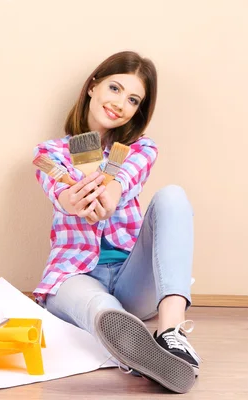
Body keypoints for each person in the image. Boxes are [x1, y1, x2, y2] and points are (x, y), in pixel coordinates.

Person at [32, 51, 201, 394]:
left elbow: (122, 180)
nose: (120, 103)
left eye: (133, 99)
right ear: (93, 86)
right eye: (114, 88)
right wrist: (74, 202)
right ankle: (134, 349)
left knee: (173, 196)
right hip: (73, 274)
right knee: (100, 309)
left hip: (132, 278)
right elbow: (59, 193)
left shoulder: (140, 149)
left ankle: (172, 333)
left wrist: (109, 193)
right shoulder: (50, 153)